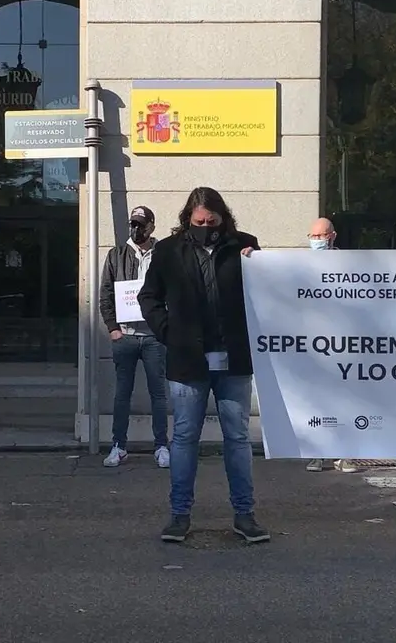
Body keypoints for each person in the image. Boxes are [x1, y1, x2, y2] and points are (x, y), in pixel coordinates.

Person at [137, 186, 269, 544]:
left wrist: (255, 262)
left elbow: (267, 291)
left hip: (233, 359)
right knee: (184, 437)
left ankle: (245, 515)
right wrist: (168, 332)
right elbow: (148, 297)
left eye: (212, 220)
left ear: (223, 218)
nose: (206, 226)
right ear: (188, 219)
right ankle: (179, 515)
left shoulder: (244, 245)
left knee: (238, 438)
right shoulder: (168, 250)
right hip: (187, 361)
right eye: (199, 221)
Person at [98, 205, 170, 468]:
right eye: (133, 224)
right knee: (122, 394)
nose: (136, 229)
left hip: (154, 337)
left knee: (158, 393)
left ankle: (162, 446)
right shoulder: (117, 255)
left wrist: (166, 327)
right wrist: (112, 328)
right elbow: (105, 293)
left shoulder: (163, 253)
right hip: (125, 336)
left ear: (152, 226)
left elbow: (173, 290)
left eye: (141, 224)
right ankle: (119, 446)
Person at [304, 218, 357, 475]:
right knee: (317, 401)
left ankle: (344, 452)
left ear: (332, 236)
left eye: (321, 236)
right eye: (312, 236)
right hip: (314, 346)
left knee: (344, 400)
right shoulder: (299, 266)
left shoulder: (348, 265)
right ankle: (317, 454)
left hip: (343, 344)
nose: (316, 241)